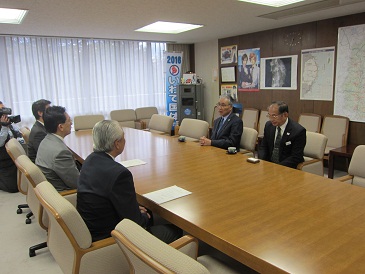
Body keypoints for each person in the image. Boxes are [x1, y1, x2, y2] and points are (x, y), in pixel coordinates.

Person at [77, 120, 182, 243]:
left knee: (147, 211)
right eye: (123, 137)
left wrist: (134, 209)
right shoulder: (119, 174)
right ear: (117, 144)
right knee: (176, 231)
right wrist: (142, 216)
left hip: (93, 228)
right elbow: (135, 223)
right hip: (112, 239)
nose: (125, 140)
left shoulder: (90, 160)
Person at [36, 106, 79, 191]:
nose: (71, 123)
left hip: (51, 187)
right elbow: (77, 183)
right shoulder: (61, 152)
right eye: (69, 120)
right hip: (65, 194)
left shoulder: (46, 140)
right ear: (61, 127)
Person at [258, 101, 306, 168]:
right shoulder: (269, 126)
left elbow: (296, 156)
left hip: (287, 168)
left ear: (285, 115)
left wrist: (277, 167)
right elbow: (263, 146)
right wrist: (262, 161)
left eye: (274, 116)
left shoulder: (298, 131)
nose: (271, 119)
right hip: (269, 166)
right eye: (269, 115)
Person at [0, 101, 21, 193]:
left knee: (21, 184)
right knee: (12, 188)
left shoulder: (8, 122)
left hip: (13, 158)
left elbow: (16, 135)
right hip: (3, 161)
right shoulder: (4, 124)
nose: (4, 112)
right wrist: (4, 127)